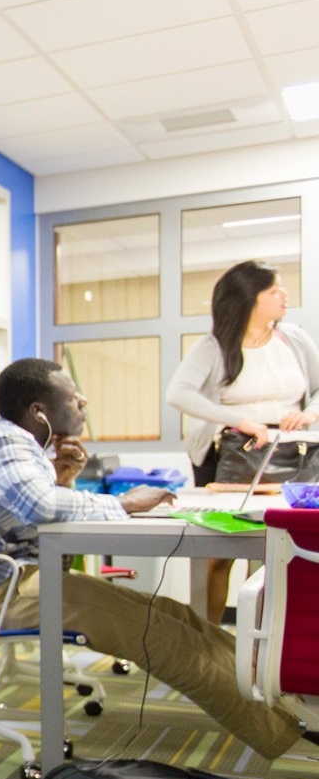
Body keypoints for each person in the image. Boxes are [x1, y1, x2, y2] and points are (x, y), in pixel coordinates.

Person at [0, 357, 309, 759]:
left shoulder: (20, 449)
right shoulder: (6, 442)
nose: (83, 402)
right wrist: (123, 504)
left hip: (6, 582)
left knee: (171, 615)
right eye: (73, 398)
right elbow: (40, 508)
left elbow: (45, 542)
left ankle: (284, 702)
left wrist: (63, 480)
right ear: (39, 412)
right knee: (153, 632)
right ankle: (290, 738)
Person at [167, 259, 319, 621]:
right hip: (228, 457)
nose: (284, 295)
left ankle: (262, 650)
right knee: (218, 555)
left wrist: (310, 414)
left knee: (273, 552)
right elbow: (179, 394)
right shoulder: (213, 346)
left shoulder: (294, 338)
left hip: (290, 457)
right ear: (249, 298)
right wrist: (240, 421)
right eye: (274, 290)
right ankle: (206, 644)